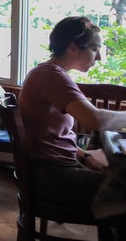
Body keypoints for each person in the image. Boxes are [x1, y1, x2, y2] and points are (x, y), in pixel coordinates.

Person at [19, 16, 126, 210]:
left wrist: (85, 156)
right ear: (73, 47)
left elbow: (52, 138)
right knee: (122, 186)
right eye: (95, 49)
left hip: (49, 171)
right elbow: (95, 120)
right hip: (52, 178)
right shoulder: (51, 76)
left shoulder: (47, 73)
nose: (100, 57)